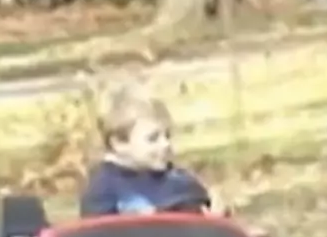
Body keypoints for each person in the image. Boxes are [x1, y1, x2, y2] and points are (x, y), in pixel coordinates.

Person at [79, 82, 221, 217]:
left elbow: (205, 225)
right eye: (153, 138)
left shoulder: (180, 182)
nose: (165, 144)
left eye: (167, 135)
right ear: (119, 143)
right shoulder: (103, 192)